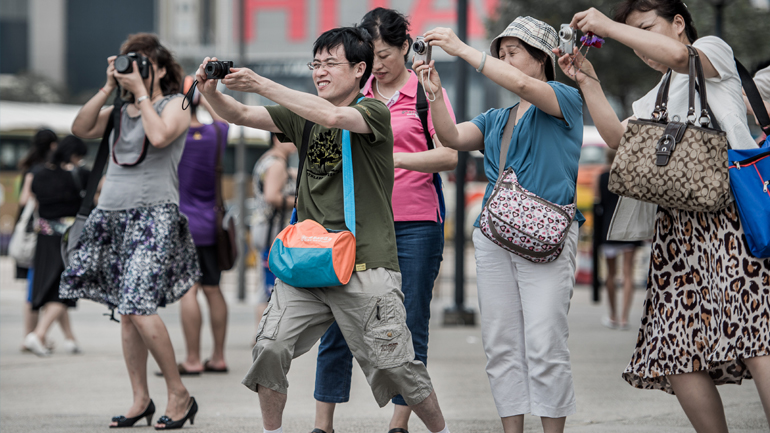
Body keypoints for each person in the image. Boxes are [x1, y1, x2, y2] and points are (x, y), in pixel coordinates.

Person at [197, 26, 451, 433]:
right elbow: (240, 114)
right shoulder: (302, 114)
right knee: (268, 347)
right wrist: (209, 89)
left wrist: (260, 83)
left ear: (359, 69)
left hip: (365, 262)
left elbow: (333, 115)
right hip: (310, 261)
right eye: (315, 63)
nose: (320, 72)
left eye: (331, 63)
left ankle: (441, 430)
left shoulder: (374, 112)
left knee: (398, 365)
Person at [558, 2, 770, 431]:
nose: (639, 43)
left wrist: (610, 28)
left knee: (755, 334)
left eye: (645, 28)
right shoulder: (656, 94)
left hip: (729, 219)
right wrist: (587, 81)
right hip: (676, 232)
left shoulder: (711, 50)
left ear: (677, 24)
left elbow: (678, 56)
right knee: (674, 347)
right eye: (632, 33)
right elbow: (620, 138)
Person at [415, 16, 584, 433]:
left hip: (547, 235)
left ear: (542, 58)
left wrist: (461, 48)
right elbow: (452, 137)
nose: (505, 61)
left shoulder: (564, 97)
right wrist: (434, 94)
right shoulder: (495, 117)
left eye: (513, 53)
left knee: (545, 344)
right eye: (501, 54)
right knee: (501, 344)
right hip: (494, 236)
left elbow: (527, 87)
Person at [312, 8, 457, 433]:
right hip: (355, 224)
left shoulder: (424, 91)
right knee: (336, 322)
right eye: (369, 55)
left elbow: (449, 154)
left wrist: (394, 159)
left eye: (384, 54)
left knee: (408, 325)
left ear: (404, 48)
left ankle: (400, 421)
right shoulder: (355, 94)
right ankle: (323, 424)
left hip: (415, 225)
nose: (376, 63)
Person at [62, 33, 200, 429]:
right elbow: (80, 126)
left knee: (138, 305)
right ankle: (141, 398)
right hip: (111, 216)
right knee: (126, 314)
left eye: (139, 63)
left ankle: (179, 393)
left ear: (157, 67)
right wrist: (109, 87)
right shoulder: (119, 112)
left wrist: (141, 92)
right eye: (127, 63)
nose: (132, 70)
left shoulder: (176, 105)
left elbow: (158, 136)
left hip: (154, 215)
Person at [175, 76, 230, 375]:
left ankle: (193, 359)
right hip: (212, 224)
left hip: (183, 225)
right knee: (213, 289)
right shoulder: (217, 134)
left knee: (189, 291)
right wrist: (203, 91)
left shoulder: (174, 137)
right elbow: (223, 117)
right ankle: (218, 357)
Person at [22, 136, 88, 357]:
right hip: (67, 240)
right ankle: (38, 335)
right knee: (63, 290)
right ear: (73, 155)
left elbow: (30, 200)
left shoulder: (38, 173)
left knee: (50, 289)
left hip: (44, 238)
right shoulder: (77, 175)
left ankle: (65, 338)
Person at [16, 129, 58, 352]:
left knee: (39, 286)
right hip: (37, 233)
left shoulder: (30, 166)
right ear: (52, 145)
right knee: (36, 287)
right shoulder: (42, 170)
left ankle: (36, 336)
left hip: (31, 231)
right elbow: (26, 198)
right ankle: (31, 337)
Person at [250, 133, 296, 331]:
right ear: (277, 139)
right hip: (272, 230)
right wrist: (298, 201)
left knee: (265, 284)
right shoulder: (277, 164)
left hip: (262, 226)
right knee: (269, 287)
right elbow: (272, 196)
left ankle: (261, 333)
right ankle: (263, 334)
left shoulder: (267, 159)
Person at [595, 149, 640, 331]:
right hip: (628, 228)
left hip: (609, 229)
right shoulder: (631, 176)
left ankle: (613, 315)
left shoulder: (602, 177)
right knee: (628, 272)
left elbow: (597, 203)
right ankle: (624, 318)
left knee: (610, 274)